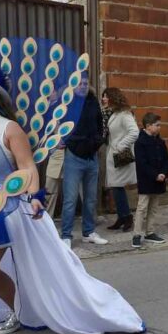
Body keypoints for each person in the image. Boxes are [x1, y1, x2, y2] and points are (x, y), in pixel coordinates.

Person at [0, 61, 144, 334]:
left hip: (2, 210)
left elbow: (27, 166)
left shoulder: (9, 128)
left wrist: (34, 196)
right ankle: (18, 312)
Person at [60, 87, 108, 246]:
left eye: (86, 81)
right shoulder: (69, 101)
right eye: (80, 81)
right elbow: (60, 122)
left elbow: (100, 123)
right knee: (70, 199)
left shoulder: (93, 101)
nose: (83, 85)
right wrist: (67, 141)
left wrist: (99, 141)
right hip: (74, 156)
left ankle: (88, 232)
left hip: (92, 156)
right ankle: (66, 235)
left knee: (91, 199)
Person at [132, 112, 168, 248]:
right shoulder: (140, 142)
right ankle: (136, 234)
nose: (159, 128)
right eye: (157, 125)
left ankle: (150, 232)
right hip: (147, 180)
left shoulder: (160, 142)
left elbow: (167, 159)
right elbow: (142, 163)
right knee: (142, 208)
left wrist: (164, 173)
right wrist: (155, 174)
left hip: (159, 180)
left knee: (154, 208)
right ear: (148, 126)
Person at [103, 87, 139, 232]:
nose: (104, 99)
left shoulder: (125, 114)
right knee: (116, 187)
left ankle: (127, 217)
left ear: (113, 97)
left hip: (120, 156)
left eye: (106, 96)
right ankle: (122, 216)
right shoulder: (115, 113)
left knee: (117, 186)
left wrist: (120, 145)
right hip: (114, 156)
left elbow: (135, 132)